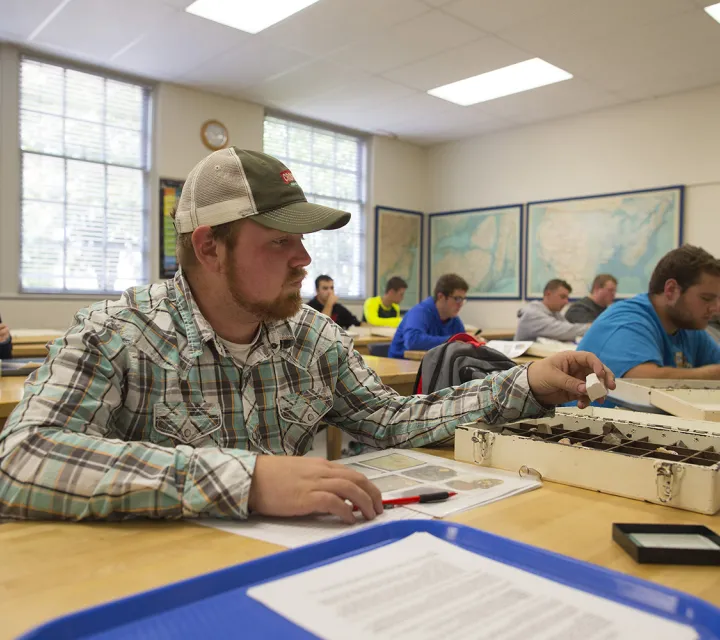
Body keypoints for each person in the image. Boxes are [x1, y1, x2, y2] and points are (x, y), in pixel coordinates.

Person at [0, 147, 614, 523]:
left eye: (303, 240)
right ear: (210, 246)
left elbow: (394, 422)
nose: (302, 259)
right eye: (279, 241)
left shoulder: (312, 337)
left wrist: (527, 383)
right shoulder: (116, 335)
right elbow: (20, 460)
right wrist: (247, 479)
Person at [578, 245, 720, 382]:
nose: (716, 308)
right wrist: (712, 374)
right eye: (706, 298)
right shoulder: (628, 321)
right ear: (671, 290)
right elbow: (642, 380)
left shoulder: (688, 326)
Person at [388, 274, 468, 359]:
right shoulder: (420, 312)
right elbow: (413, 341)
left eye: (463, 299)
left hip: (431, 365)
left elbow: (462, 342)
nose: (461, 304)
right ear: (441, 297)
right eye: (457, 299)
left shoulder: (454, 319)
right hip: (402, 364)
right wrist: (452, 340)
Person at [515, 279, 591, 342]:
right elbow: (567, 331)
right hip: (524, 359)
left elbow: (569, 331)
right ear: (548, 294)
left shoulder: (555, 313)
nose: (566, 302)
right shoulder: (532, 314)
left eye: (567, 298)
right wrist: (592, 327)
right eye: (562, 297)